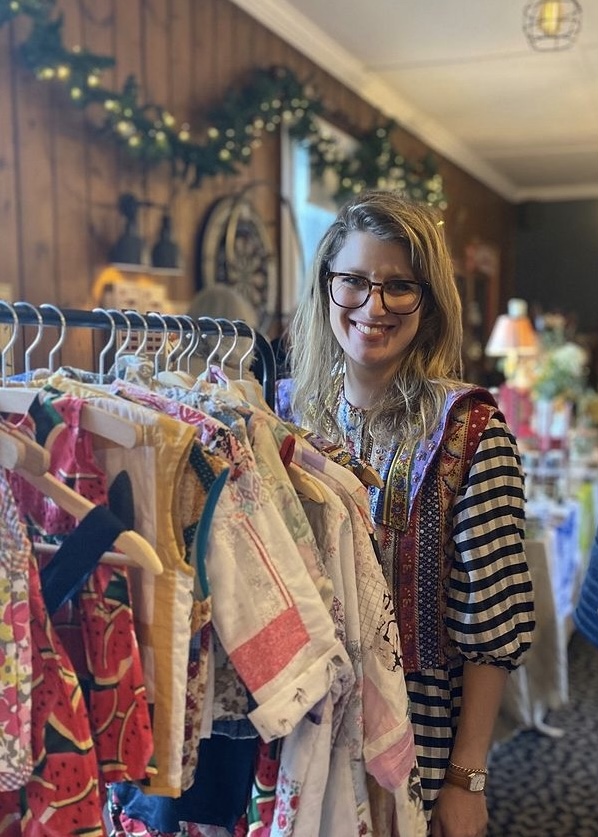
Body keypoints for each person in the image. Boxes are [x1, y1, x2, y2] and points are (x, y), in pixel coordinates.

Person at [280, 190, 535, 837]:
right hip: (307, 736)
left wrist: (466, 777)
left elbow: (494, 625)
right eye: (356, 281)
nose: (374, 304)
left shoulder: (472, 429)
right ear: (326, 287)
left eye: (399, 285)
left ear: (429, 299)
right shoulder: (290, 415)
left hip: (422, 740)